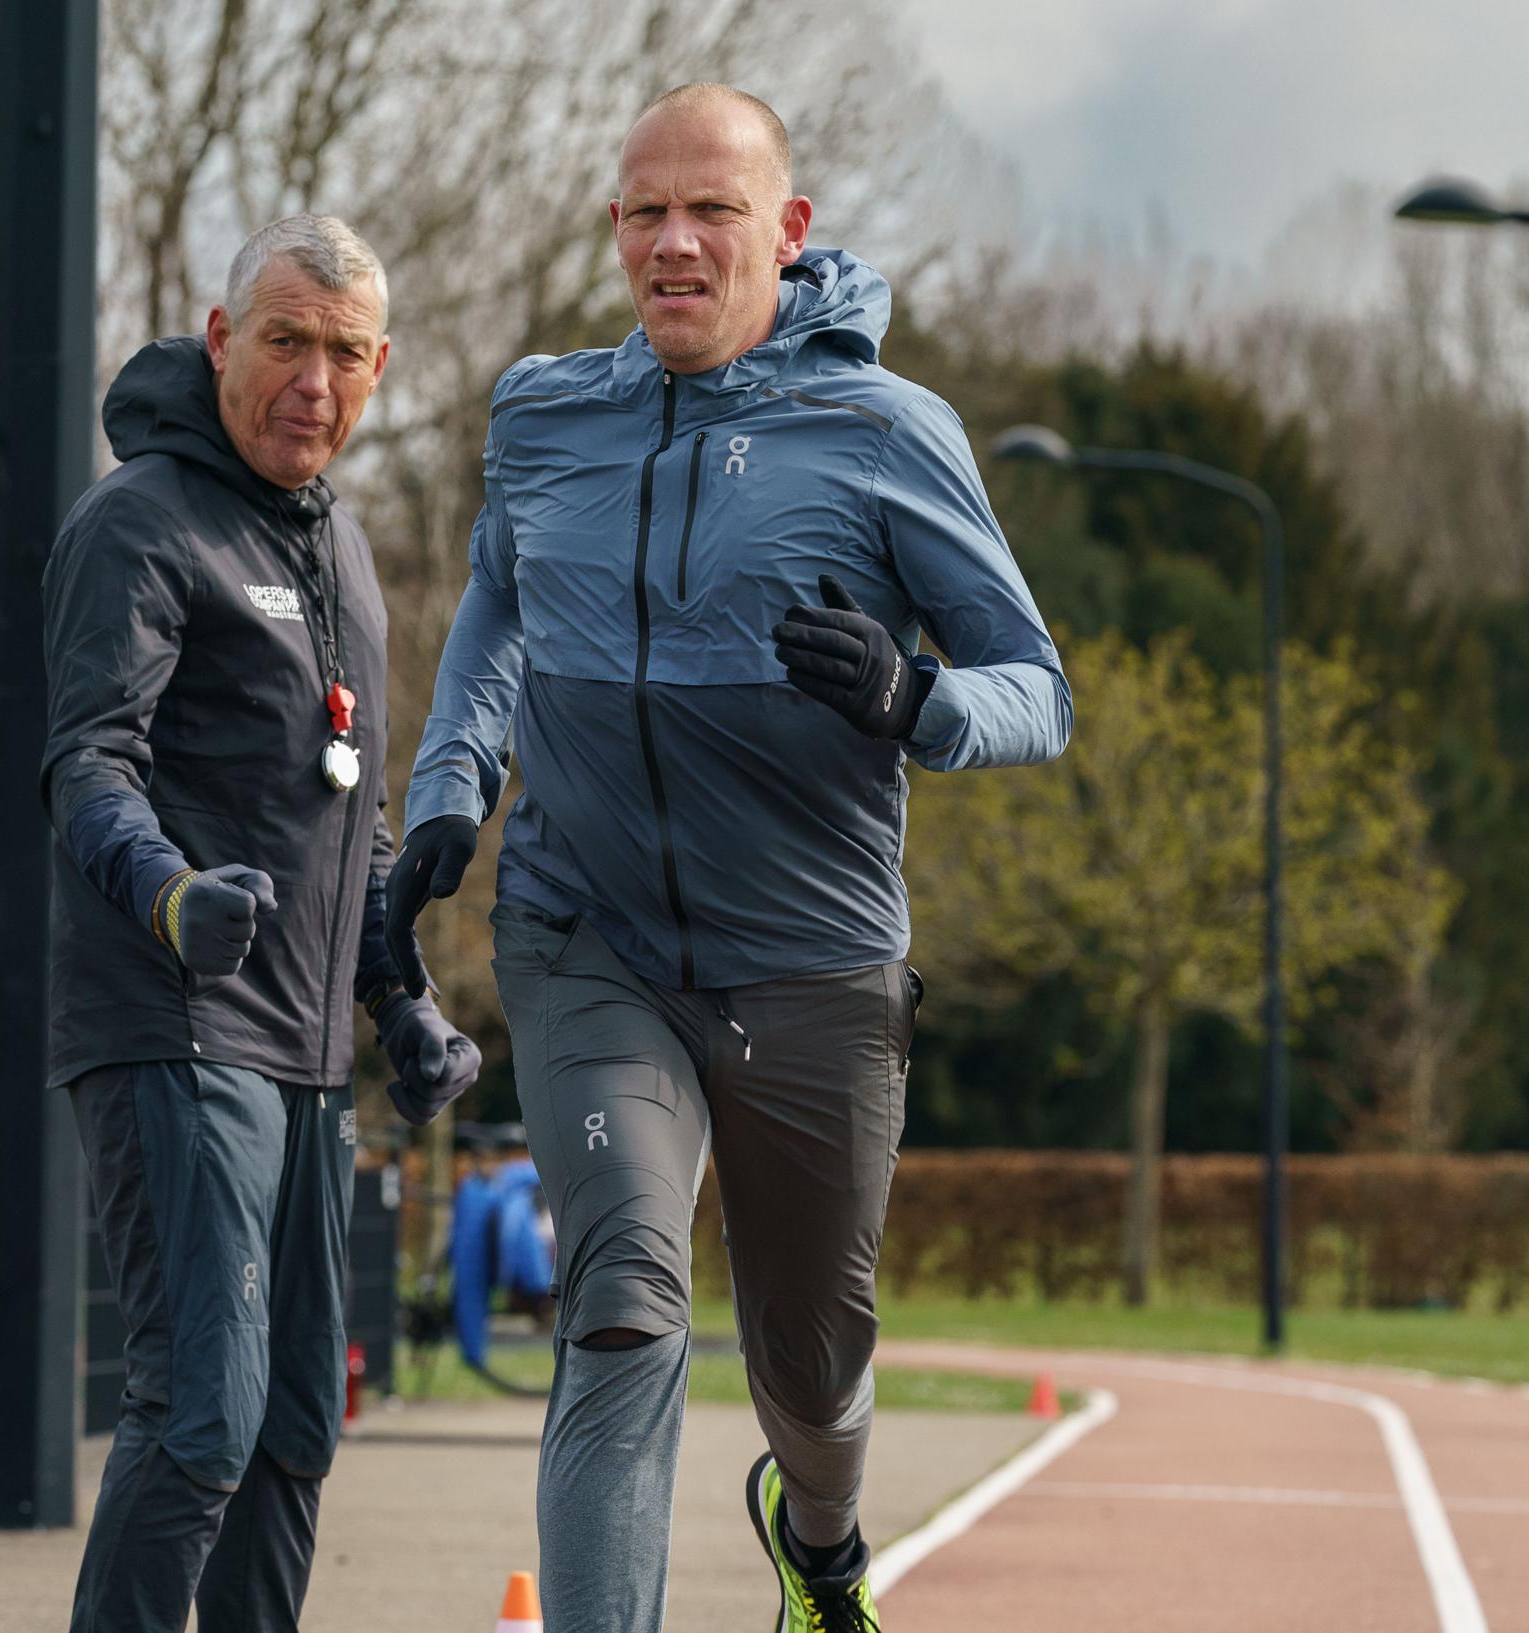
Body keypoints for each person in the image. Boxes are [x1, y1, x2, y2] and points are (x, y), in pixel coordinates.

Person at [385, 83, 1069, 1633]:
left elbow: (1038, 685)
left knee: (812, 1367)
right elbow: (499, 607)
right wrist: (451, 782)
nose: (675, 243)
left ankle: (819, 1545)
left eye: (712, 212)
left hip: (814, 965)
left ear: (788, 231)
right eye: (645, 213)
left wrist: (916, 700)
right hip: (586, 939)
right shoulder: (544, 414)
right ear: (615, 230)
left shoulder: (889, 432)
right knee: (620, 1307)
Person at [42, 215, 481, 1633]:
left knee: (296, 1422)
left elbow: (347, 818)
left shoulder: (343, 547)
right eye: (284, 340)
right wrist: (169, 891)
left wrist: (397, 998)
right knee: (201, 1418)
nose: (314, 379)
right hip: (172, 1021)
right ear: (222, 339)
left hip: (300, 1053)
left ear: (381, 366)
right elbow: (88, 764)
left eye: (346, 353)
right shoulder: (140, 521)